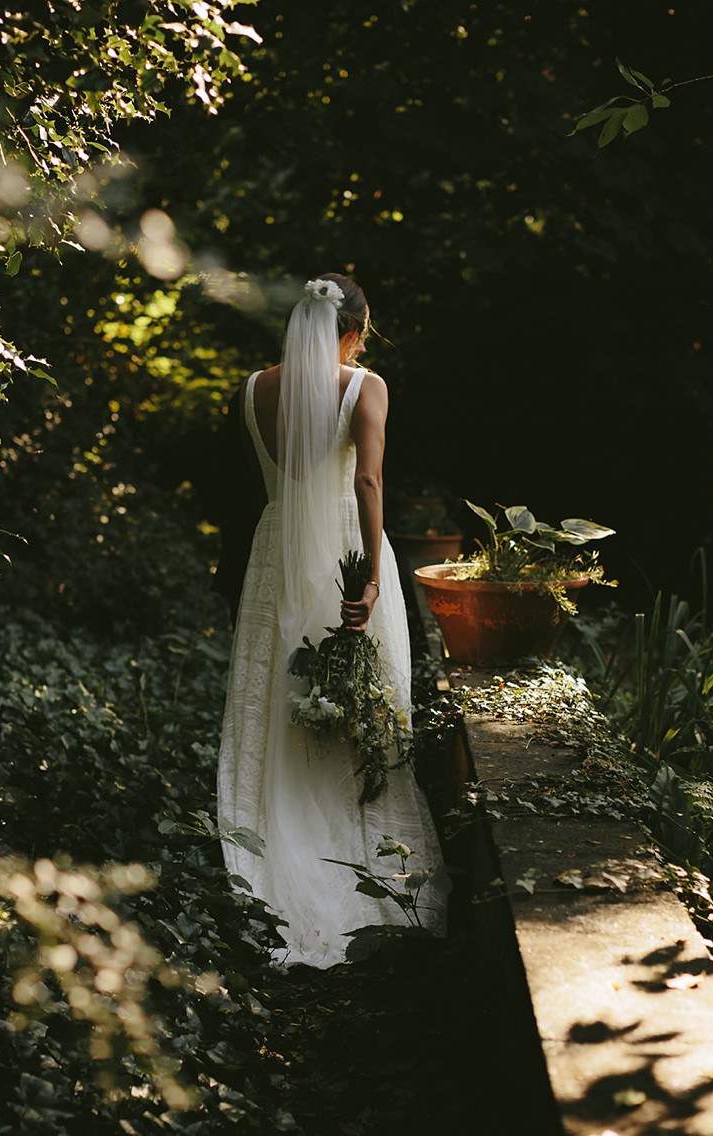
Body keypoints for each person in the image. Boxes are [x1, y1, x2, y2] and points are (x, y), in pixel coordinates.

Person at [215, 273, 446, 968]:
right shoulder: (363, 386)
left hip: (275, 550)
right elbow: (368, 481)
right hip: (346, 548)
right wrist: (372, 577)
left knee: (280, 697)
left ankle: (273, 841)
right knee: (362, 693)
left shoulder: (253, 388)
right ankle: (364, 854)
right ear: (354, 328)